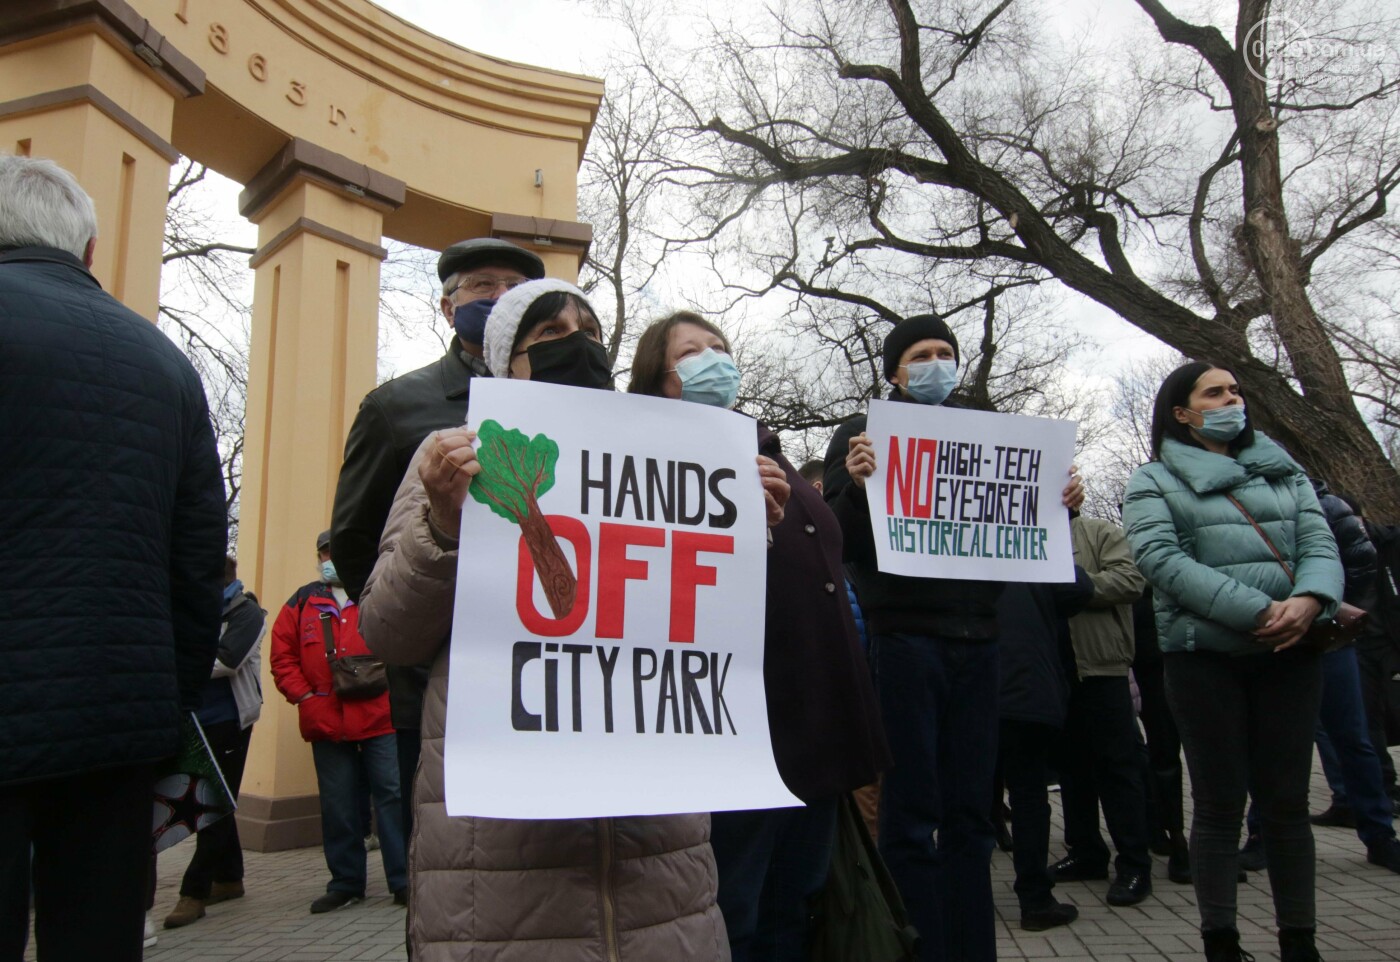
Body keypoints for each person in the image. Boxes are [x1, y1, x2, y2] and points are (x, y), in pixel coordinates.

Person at [359, 280, 739, 959]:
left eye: (590, 333)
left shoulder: (664, 463)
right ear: (509, 363)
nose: (580, 347)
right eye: (552, 336)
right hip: (503, 856)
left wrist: (746, 540)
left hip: (657, 849)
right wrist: (443, 525)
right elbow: (387, 633)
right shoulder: (450, 459)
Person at [0, 155, 226, 961]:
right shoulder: (166, 365)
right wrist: (167, 696)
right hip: (117, 724)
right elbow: (201, 561)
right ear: (89, 251)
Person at [628, 312, 890, 960]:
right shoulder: (648, 456)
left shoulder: (766, 451)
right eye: (692, 352)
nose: (714, 359)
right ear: (658, 377)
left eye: (720, 348)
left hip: (817, 723)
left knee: (795, 902)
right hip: (742, 726)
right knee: (736, 907)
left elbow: (827, 553)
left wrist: (854, 498)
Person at [822, 313, 1084, 962]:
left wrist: (1058, 506)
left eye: (946, 352)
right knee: (911, 816)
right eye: (921, 354)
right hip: (905, 641)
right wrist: (857, 491)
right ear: (893, 372)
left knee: (972, 815)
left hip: (979, 640)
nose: (937, 363)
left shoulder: (988, 437)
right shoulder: (862, 436)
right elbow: (838, 541)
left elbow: (1014, 534)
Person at [1122, 361, 1343, 962]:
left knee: (1287, 806)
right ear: (1182, 412)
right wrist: (1261, 611)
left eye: (1235, 390)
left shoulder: (1285, 472)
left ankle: (1301, 941)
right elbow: (1161, 561)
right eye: (1214, 392)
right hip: (1206, 663)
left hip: (1291, 657)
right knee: (1219, 805)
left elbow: (1321, 542)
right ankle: (1221, 940)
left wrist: (1310, 599)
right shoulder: (1151, 480)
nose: (1232, 399)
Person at [331, 237, 546, 842]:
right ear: (449, 309)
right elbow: (355, 541)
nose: (501, 298)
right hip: (438, 684)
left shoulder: (569, 399)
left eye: (515, 289)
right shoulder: (397, 407)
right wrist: (421, 630)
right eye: (483, 286)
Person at [1238, 481, 1400, 875]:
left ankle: (1380, 836)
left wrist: (1328, 617)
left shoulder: (1327, 505)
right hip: (1273, 639)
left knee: (1353, 739)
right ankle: (1261, 836)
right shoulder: (1237, 505)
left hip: (1328, 642)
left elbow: (1362, 565)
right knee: (1271, 743)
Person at [269, 531, 406, 913]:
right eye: (325, 552)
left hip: (380, 715)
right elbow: (283, 657)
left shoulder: (378, 589)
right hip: (327, 720)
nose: (331, 558)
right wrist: (306, 697)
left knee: (392, 797)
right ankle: (346, 882)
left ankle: (404, 878)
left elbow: (405, 640)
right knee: (338, 803)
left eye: (337, 551)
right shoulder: (301, 601)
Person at [1051, 514, 1152, 905]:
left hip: (1101, 666)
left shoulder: (1099, 532)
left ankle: (1134, 863)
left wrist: (1082, 586)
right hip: (1054, 671)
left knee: (1118, 767)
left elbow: (1131, 581)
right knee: (1071, 768)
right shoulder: (1025, 535)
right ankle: (1086, 852)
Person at [164, 556, 267, 928]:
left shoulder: (246, 613)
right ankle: (229, 877)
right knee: (218, 798)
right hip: (194, 721)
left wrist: (180, 660)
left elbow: (227, 659)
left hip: (229, 722)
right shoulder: (194, 613)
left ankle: (194, 891)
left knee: (211, 804)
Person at [995, 571, 1094, 931]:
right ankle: (1035, 900)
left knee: (967, 800)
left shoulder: (964, 551)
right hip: (1027, 687)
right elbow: (1080, 589)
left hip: (974, 685)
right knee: (1028, 797)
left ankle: (964, 899)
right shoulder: (1032, 553)